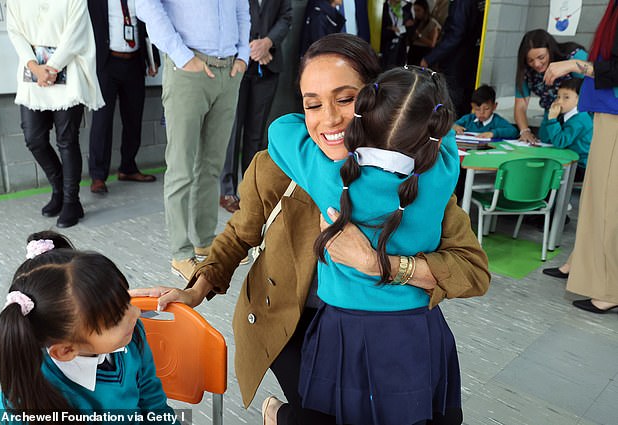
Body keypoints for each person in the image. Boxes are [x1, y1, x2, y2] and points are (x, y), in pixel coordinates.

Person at [130, 34, 490, 425]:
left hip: (392, 331)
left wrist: (378, 264)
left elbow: (472, 271)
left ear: (377, 100)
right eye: (312, 104)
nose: (329, 119)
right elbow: (238, 235)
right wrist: (196, 288)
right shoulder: (276, 167)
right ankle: (281, 414)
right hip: (292, 323)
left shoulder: (414, 172)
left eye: (346, 99)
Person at [268, 63, 462, 424]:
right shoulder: (443, 172)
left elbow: (280, 130)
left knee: (342, 414)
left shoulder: (330, 175)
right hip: (414, 325)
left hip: (344, 328)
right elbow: (444, 133)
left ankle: (277, 415)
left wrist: (333, 123)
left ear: (360, 116)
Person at [0, 233, 174, 422]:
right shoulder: (27, 402)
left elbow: (153, 403)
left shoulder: (132, 336)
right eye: (116, 317)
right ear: (65, 350)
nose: (136, 313)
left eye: (126, 300)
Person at [136, 0, 249, 281]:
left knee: (211, 166)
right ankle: (180, 253)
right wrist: (181, 54)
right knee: (181, 168)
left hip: (229, 70)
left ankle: (205, 242)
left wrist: (244, 54)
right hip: (189, 68)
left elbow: (241, 9)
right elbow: (146, 5)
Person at [543, 0, 618, 314]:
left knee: (608, 206)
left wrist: (574, 66)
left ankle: (611, 288)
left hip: (614, 113)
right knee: (595, 199)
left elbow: (614, 68)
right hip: (607, 110)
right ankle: (582, 263)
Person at [6, 0, 104, 228]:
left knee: (67, 140)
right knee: (34, 139)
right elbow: (15, 32)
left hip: (68, 71)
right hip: (33, 76)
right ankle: (59, 187)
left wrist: (53, 66)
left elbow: (76, 32)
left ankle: (71, 201)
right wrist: (35, 67)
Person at [219, 0, 293, 213]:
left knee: (256, 132)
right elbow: (229, 17)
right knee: (233, 132)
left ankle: (250, 188)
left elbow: (286, 17)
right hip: (237, 62)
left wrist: (268, 42)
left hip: (268, 65)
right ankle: (227, 191)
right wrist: (254, 47)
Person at [88, 0, 161, 195]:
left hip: (134, 62)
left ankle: (128, 167)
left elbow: (148, 26)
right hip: (106, 64)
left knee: (133, 118)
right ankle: (97, 175)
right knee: (102, 120)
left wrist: (153, 59)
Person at [514, 29, 587, 144]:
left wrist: (571, 66)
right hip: (551, 115)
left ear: (550, 50)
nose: (536, 64)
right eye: (530, 60)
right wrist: (524, 131)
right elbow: (520, 105)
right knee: (547, 145)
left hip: (578, 115)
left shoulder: (573, 56)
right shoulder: (526, 71)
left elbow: (596, 79)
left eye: (541, 57)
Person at [420, 0, 484, 117]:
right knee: (462, 104)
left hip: (456, 62)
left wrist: (430, 58)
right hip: (468, 61)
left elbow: (456, 34)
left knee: (452, 105)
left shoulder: (461, 2)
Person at [538, 78, 592, 181]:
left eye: (566, 97)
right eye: (558, 97)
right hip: (569, 160)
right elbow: (544, 138)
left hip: (581, 167)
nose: (559, 101)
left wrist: (552, 120)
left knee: (546, 173)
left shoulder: (580, 119)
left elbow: (560, 142)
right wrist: (548, 115)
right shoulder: (565, 115)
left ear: (581, 99)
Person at [453, 84, 519, 139]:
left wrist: (493, 133)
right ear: (472, 107)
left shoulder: (497, 121)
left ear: (494, 106)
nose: (481, 113)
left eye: (486, 108)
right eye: (477, 109)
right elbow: (452, 126)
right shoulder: (468, 119)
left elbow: (514, 131)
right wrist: (454, 127)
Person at [380, 0, 413, 69]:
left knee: (398, 72)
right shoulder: (382, 6)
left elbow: (411, 28)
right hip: (385, 46)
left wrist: (398, 29)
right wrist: (402, 28)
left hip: (401, 47)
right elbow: (382, 29)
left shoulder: (406, 7)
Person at [406, 0, 441, 66]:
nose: (416, 13)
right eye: (415, 11)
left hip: (424, 53)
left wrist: (419, 35)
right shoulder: (415, 22)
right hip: (413, 52)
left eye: (418, 10)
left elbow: (432, 44)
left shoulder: (432, 23)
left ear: (425, 10)